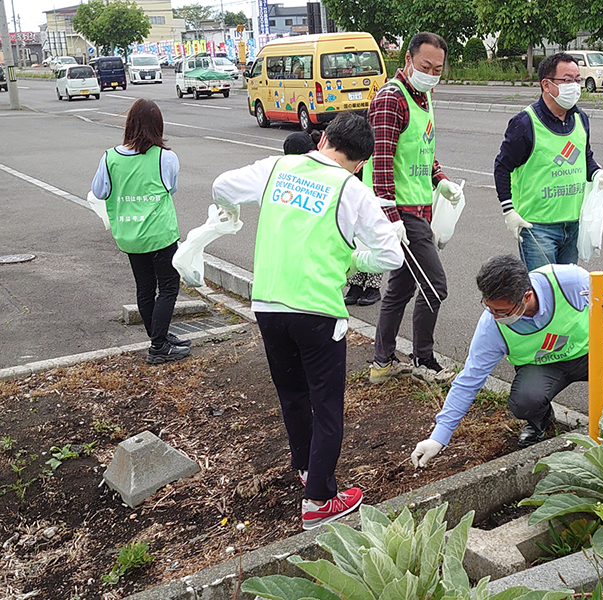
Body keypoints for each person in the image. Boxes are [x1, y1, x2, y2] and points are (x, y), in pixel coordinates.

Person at [211, 112, 403, 530]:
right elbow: (392, 255)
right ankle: (319, 499)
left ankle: (305, 468)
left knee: (293, 396)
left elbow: (222, 186)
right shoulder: (351, 190)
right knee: (327, 405)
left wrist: (229, 215)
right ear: (359, 163)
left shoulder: (279, 167)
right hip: (317, 311)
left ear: (323, 140)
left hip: (268, 304)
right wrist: (354, 258)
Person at [410, 255, 603, 464]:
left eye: (502, 311)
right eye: (489, 308)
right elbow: (470, 379)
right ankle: (541, 421)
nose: (495, 316)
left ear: (527, 296)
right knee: (524, 402)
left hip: (593, 350)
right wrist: (439, 437)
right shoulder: (492, 326)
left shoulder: (569, 281)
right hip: (543, 367)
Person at [362, 32, 465, 385]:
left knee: (400, 289)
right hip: (401, 211)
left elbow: (422, 148)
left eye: (437, 68)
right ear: (408, 59)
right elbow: (382, 159)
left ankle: (382, 362)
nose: (431, 73)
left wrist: (441, 179)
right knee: (435, 285)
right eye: (425, 66)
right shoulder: (392, 98)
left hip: (421, 207)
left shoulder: (424, 96)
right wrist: (390, 216)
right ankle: (423, 359)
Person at [494, 53, 603, 271]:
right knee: (544, 294)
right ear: (547, 85)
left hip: (573, 224)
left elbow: (584, 156)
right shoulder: (525, 123)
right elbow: (503, 166)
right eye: (567, 80)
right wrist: (508, 211)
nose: (575, 86)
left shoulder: (580, 119)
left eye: (578, 80)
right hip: (538, 227)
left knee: (566, 293)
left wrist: (598, 173)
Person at [91, 98, 191, 365]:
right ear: (157, 126)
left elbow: (100, 192)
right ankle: (159, 346)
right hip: (160, 234)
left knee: (145, 289)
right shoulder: (165, 157)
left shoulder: (110, 157)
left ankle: (159, 337)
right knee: (168, 287)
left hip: (129, 235)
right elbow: (171, 188)